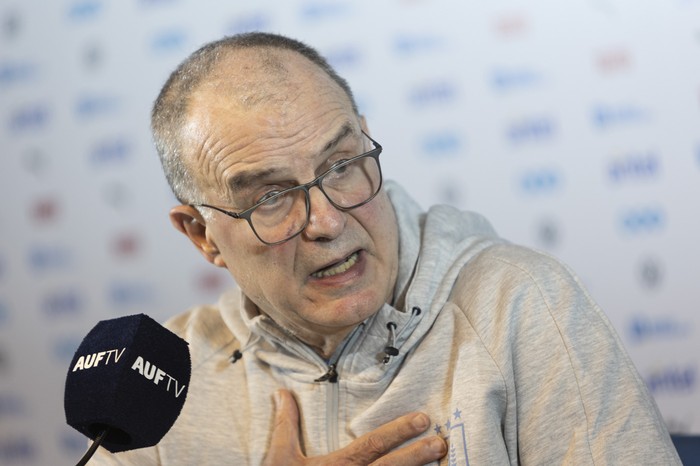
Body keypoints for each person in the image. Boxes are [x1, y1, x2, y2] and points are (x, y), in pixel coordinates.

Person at [92, 32, 681, 465]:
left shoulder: (520, 305)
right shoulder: (156, 380)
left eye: (342, 164)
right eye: (271, 197)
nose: (326, 220)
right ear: (202, 235)